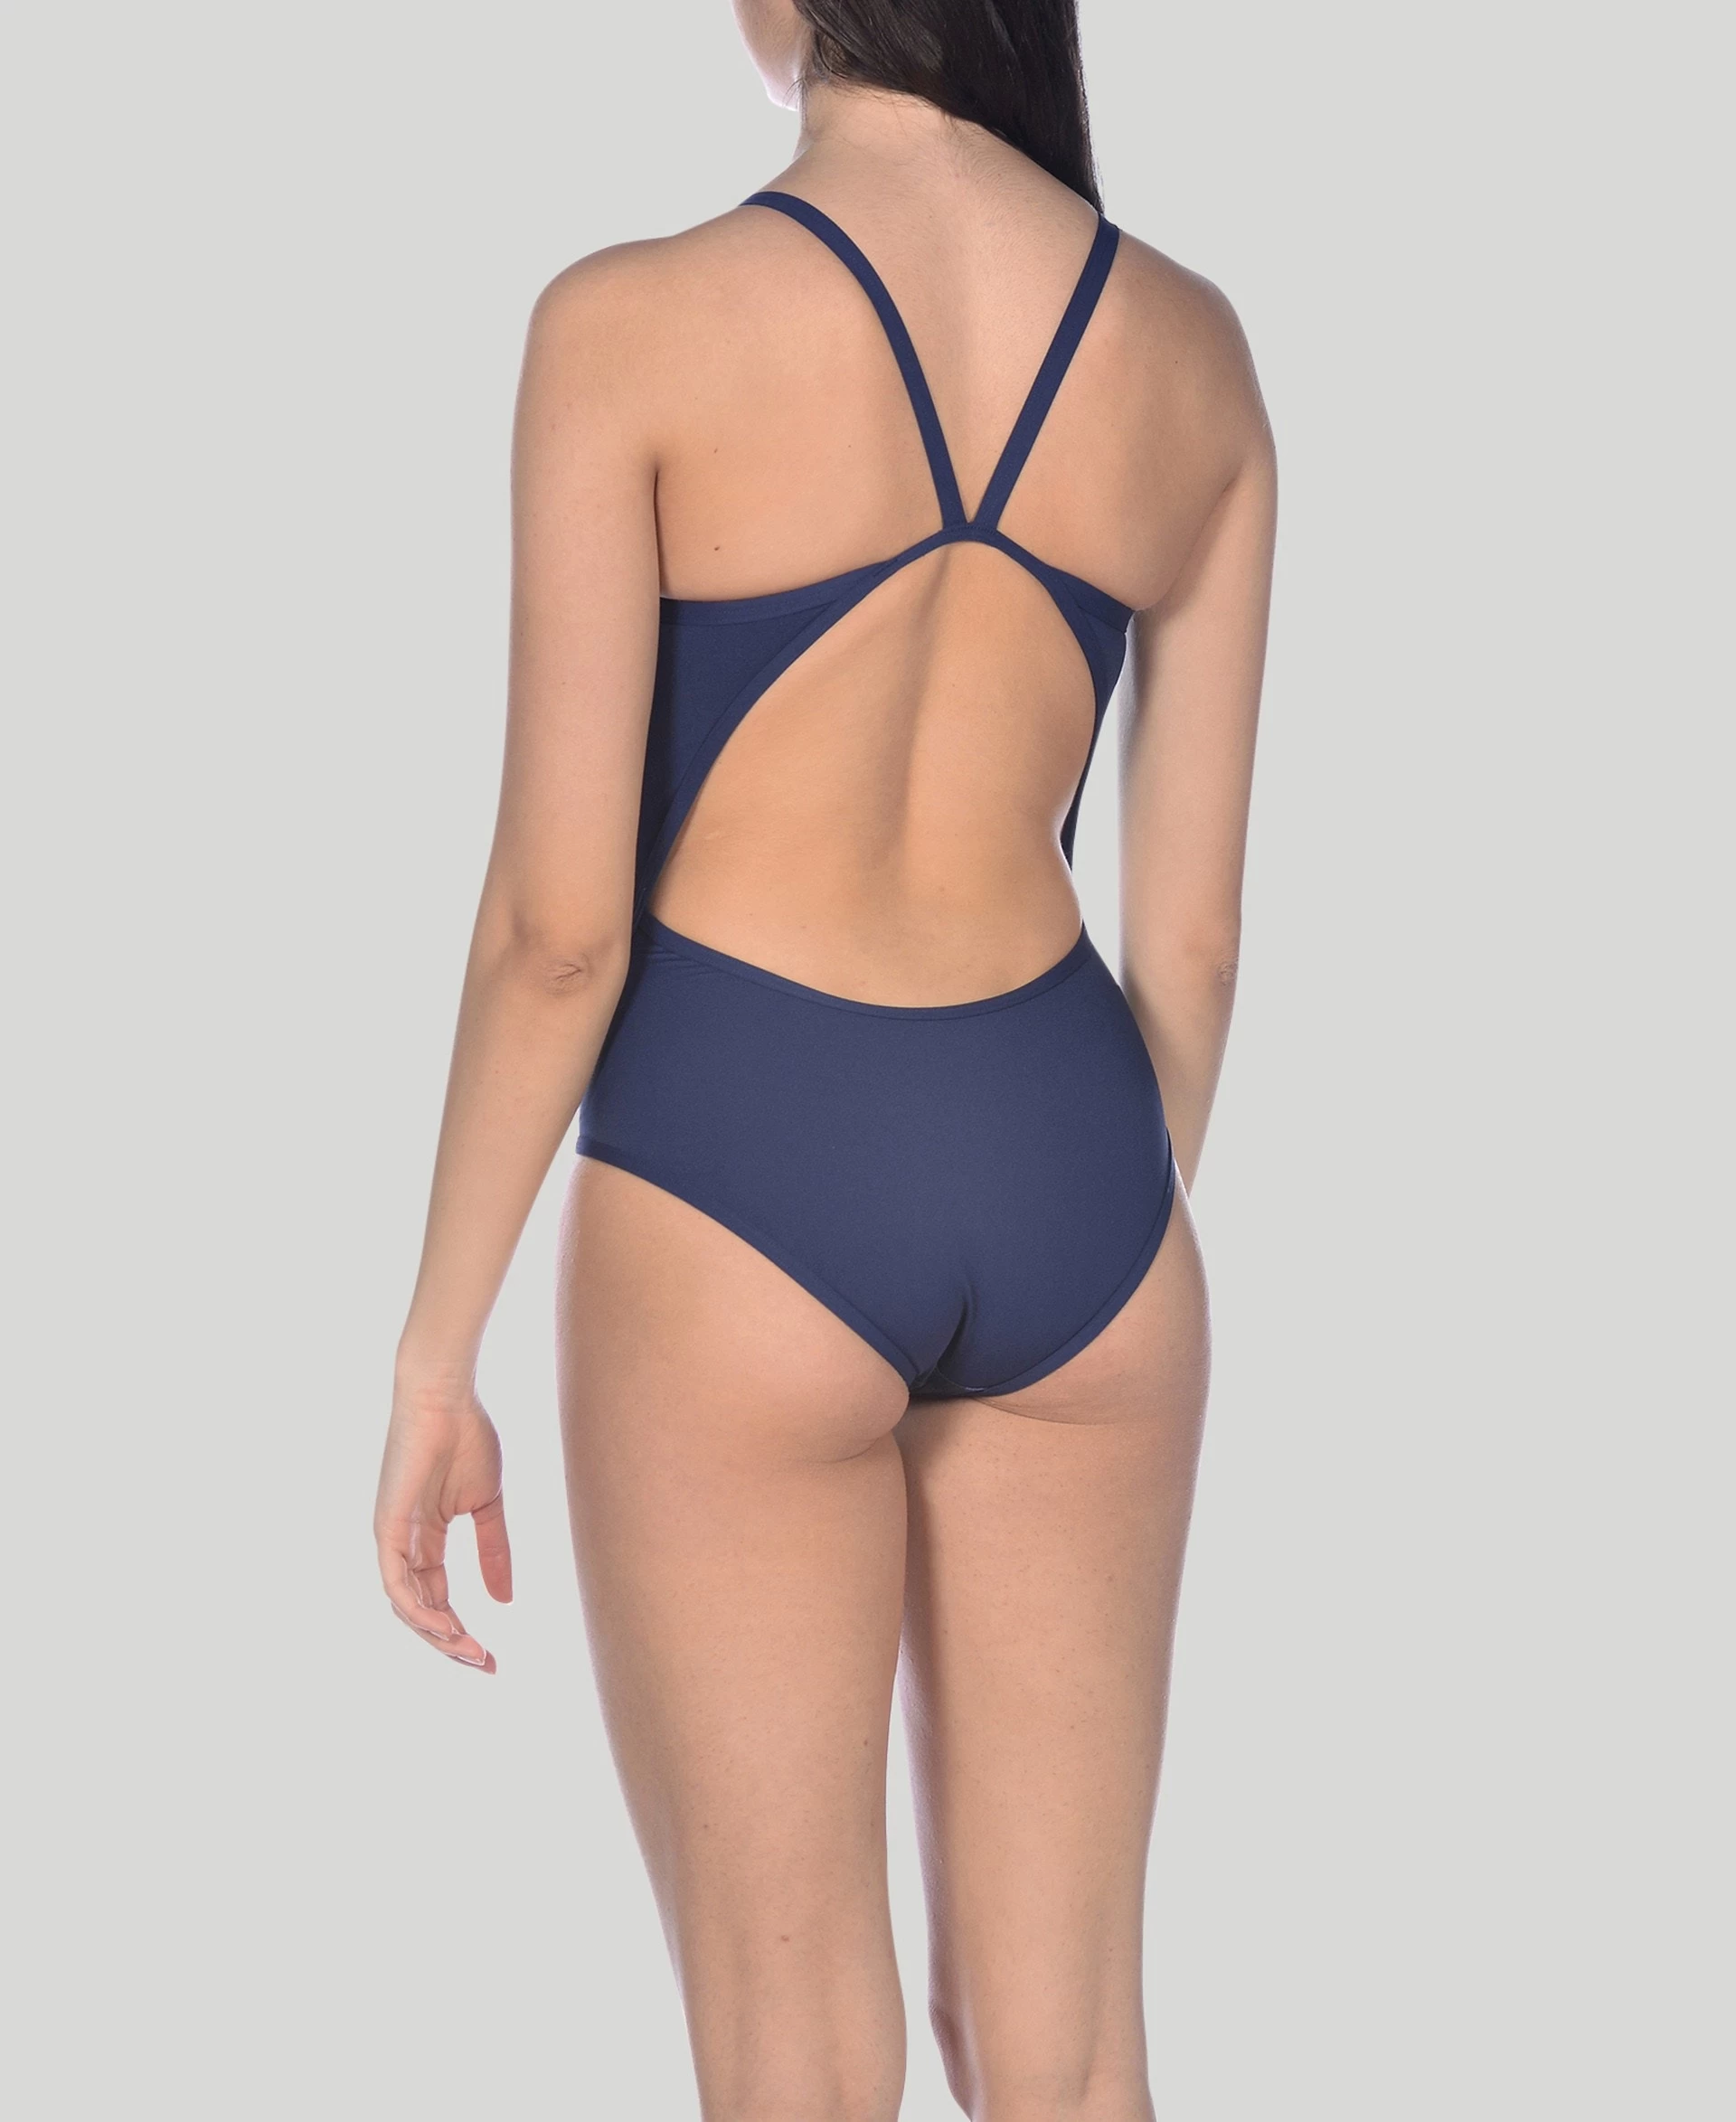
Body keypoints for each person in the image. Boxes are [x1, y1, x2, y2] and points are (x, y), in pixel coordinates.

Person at [373, 0, 1274, 2109]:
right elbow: (1198, 940)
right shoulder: (1194, 353)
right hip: (1078, 1183)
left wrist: (436, 1352)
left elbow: (556, 934)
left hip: (743, 1171)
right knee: (1068, 2062)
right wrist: (1075, 1205)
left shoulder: (630, 325)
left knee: (795, 2061)